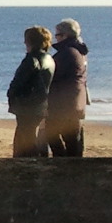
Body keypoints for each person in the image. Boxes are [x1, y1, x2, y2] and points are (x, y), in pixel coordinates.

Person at [5, 26, 54, 158]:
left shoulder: (31, 59)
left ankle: (27, 166)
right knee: (33, 137)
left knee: (26, 139)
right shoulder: (49, 59)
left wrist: (11, 94)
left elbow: (19, 82)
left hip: (27, 106)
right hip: (41, 104)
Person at [45, 19, 89, 158]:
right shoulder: (78, 52)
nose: (55, 38)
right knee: (72, 141)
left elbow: (52, 77)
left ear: (65, 35)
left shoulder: (68, 53)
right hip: (75, 103)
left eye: (57, 35)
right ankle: (68, 163)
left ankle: (64, 163)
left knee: (56, 135)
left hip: (65, 104)